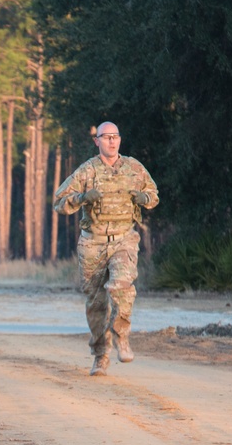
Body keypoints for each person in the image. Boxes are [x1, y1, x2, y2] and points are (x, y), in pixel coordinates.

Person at [54, 121, 159, 376]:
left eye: (115, 137)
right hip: (93, 242)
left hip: (124, 238)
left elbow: (154, 194)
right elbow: (59, 202)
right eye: (106, 137)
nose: (111, 141)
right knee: (96, 304)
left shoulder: (134, 167)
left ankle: (122, 336)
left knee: (122, 286)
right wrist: (81, 198)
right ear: (96, 141)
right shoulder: (87, 171)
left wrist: (145, 198)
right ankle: (101, 355)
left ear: (119, 140)